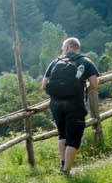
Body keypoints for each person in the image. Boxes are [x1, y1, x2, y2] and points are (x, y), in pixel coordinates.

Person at [41, 36, 100, 175]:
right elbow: (95, 84)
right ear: (77, 48)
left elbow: (44, 85)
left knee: (62, 134)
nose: (62, 50)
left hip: (56, 104)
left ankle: (62, 165)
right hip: (75, 104)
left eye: (63, 48)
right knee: (74, 137)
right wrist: (83, 87)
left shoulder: (55, 62)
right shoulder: (86, 62)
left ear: (67, 48)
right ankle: (66, 171)